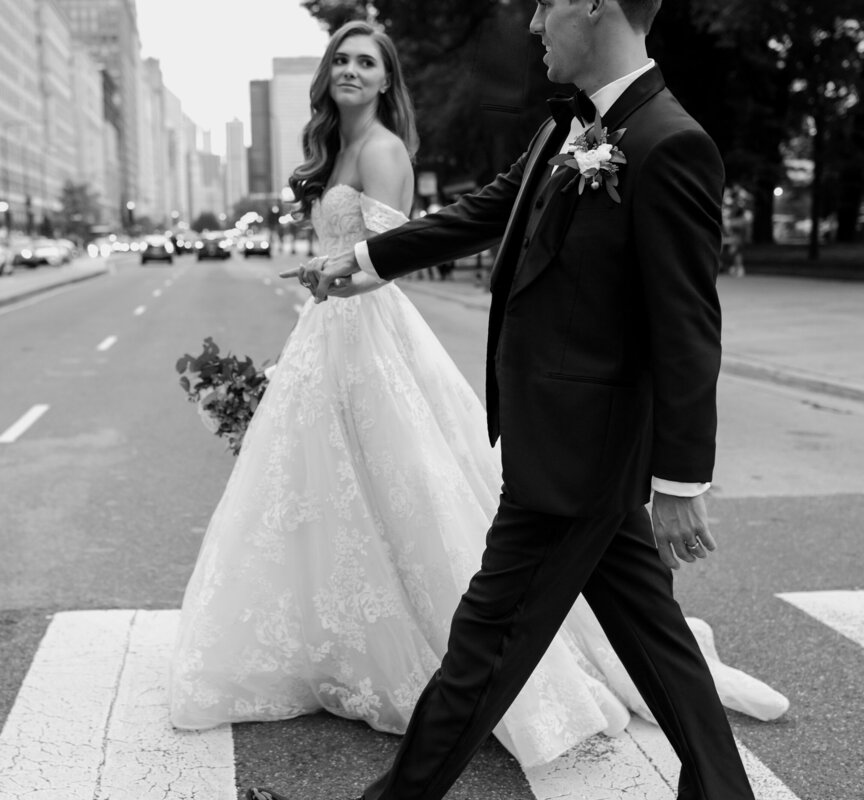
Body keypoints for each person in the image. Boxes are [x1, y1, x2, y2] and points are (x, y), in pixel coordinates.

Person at [172, 13, 785, 784]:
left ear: (593, 4)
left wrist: (681, 482)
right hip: (568, 445)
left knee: (483, 648)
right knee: (656, 640)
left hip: (577, 457)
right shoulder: (567, 125)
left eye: (545, 4)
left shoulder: (670, 142)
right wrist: (361, 257)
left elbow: (689, 327)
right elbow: (482, 212)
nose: (533, 23)